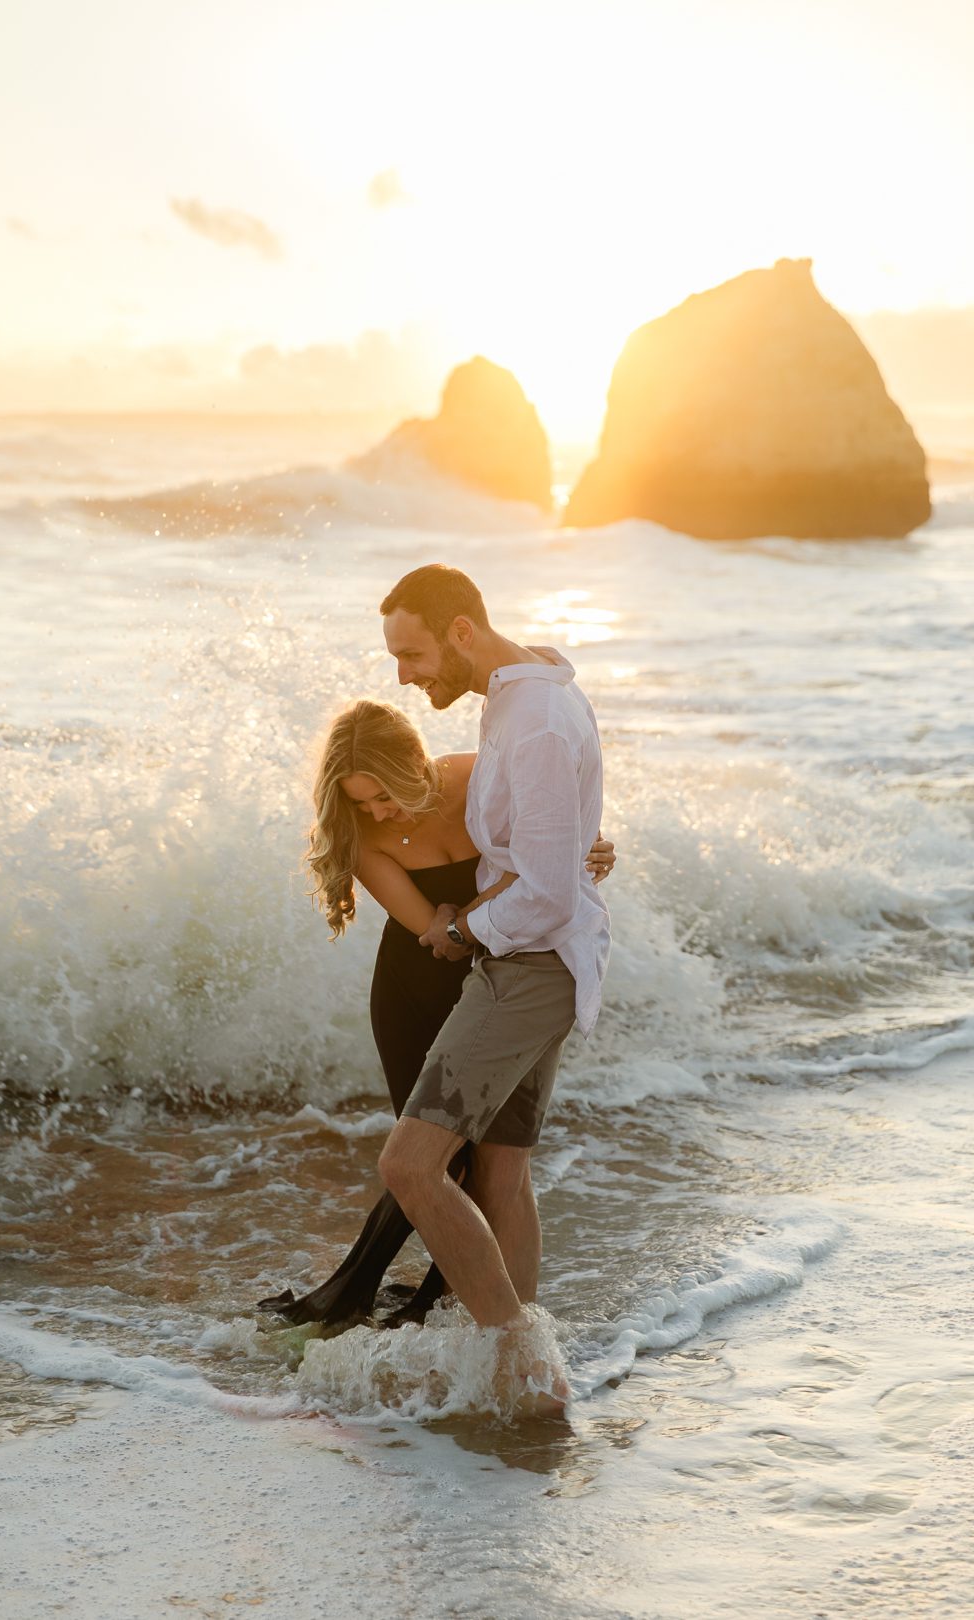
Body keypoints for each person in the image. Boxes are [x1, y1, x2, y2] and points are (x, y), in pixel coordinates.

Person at [260, 698, 614, 1328]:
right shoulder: (359, 835)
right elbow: (438, 936)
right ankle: (349, 1297)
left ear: (413, 765)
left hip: (505, 981)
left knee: (496, 1163)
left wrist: (580, 854)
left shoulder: (483, 774)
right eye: (361, 802)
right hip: (416, 988)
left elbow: (557, 839)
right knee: (435, 1158)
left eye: (383, 797)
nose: (376, 813)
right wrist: (547, 868)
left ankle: (452, 1305)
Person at [374, 565, 610, 1401]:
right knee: (502, 1173)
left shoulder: (537, 719)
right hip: (531, 958)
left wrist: (462, 927)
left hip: (529, 967)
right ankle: (521, 1369)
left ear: (462, 632)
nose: (404, 675)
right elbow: (554, 852)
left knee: (410, 1165)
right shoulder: (518, 703)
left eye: (412, 653)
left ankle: (524, 1362)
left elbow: (544, 890)